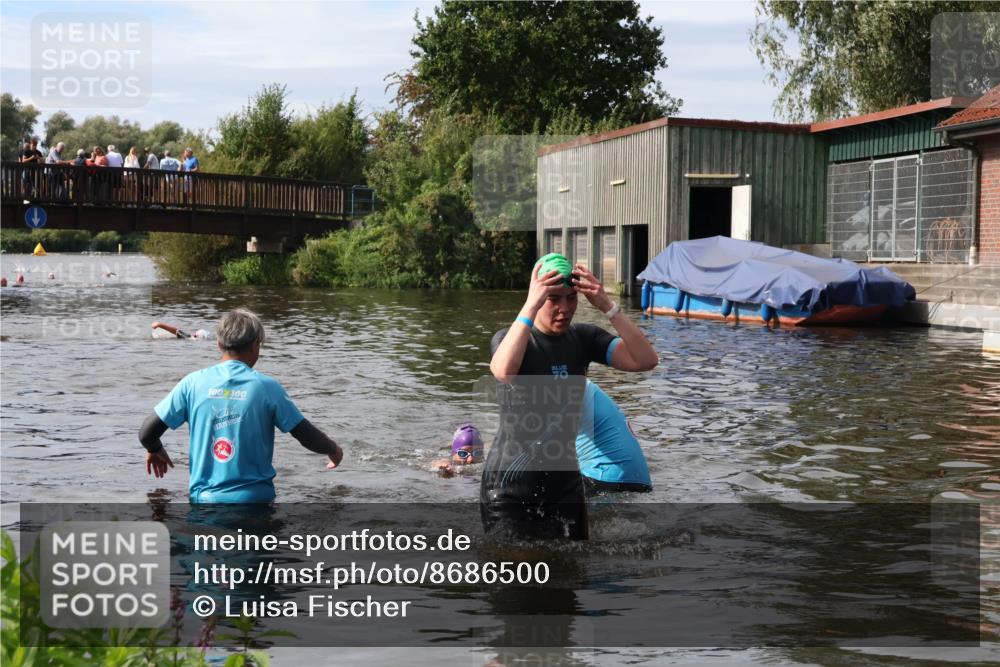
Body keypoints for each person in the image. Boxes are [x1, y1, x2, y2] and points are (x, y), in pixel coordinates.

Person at [481, 253, 659, 540]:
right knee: (515, 577)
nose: (564, 308)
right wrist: (530, 303)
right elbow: (503, 371)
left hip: (565, 488)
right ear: (538, 296)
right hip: (509, 489)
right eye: (553, 299)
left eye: (571, 298)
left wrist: (608, 306)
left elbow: (646, 360)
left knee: (573, 575)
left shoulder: (584, 339)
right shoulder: (511, 338)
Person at [139, 309, 344, 502]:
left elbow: (147, 433)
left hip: (205, 502)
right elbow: (305, 434)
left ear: (219, 343)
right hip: (255, 503)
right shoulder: (267, 388)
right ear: (256, 345)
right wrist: (333, 449)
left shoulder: (192, 384)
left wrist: (154, 447)